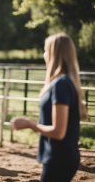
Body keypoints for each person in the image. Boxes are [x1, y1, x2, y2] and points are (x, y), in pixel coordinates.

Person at [10, 33, 88, 182]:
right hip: (59, 157)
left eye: (46, 50)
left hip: (59, 158)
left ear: (53, 54)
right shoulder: (62, 83)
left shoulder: (61, 85)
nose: (44, 55)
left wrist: (29, 124)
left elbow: (58, 132)